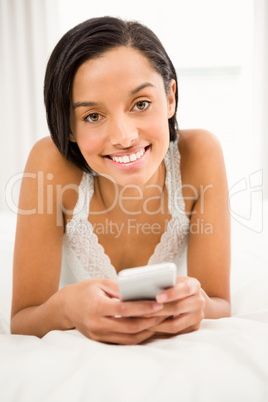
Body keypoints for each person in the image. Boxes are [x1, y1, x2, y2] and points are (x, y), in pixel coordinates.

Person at [10, 16, 231, 345]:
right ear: (68, 126)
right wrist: (67, 308)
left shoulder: (201, 154)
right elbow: (22, 319)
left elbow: (219, 302)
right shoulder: (49, 163)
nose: (124, 137)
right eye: (93, 116)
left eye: (141, 104)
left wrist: (197, 304)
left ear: (170, 97)